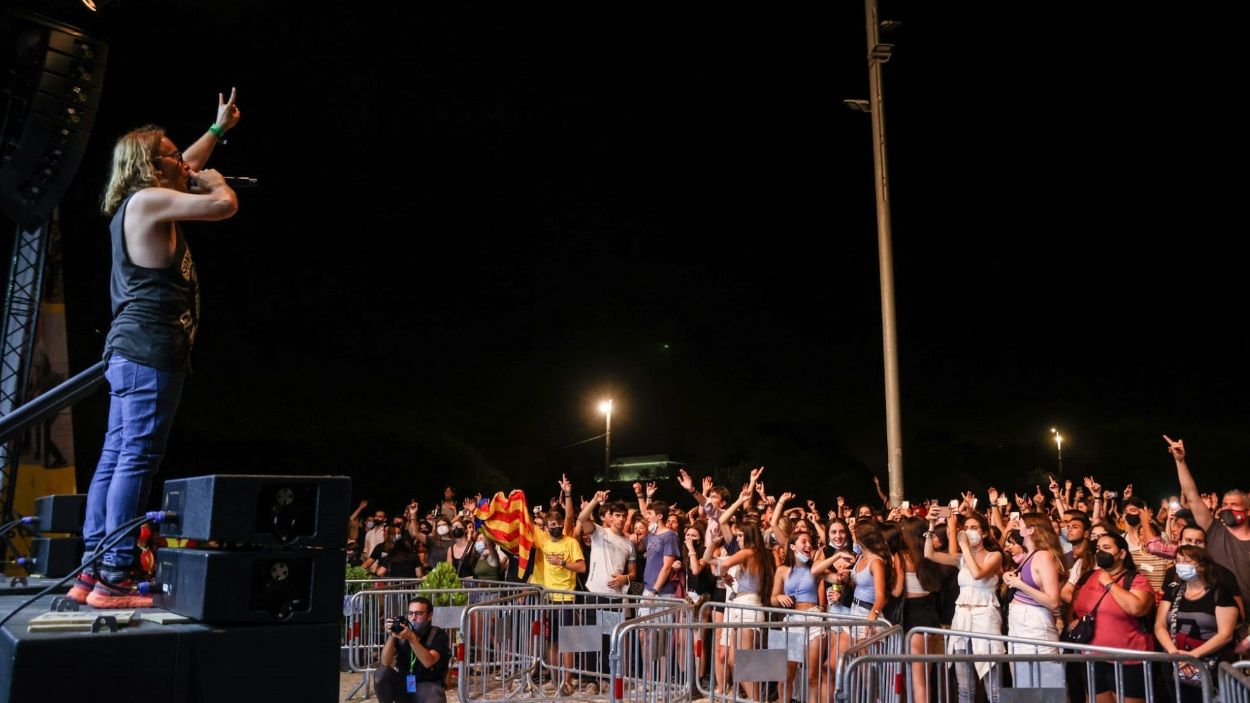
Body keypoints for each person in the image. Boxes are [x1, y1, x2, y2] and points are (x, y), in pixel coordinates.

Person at [70, 89, 240, 609]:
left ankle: (92, 570)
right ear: (149, 164)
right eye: (169, 155)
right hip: (149, 351)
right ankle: (115, 576)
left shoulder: (142, 199)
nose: (183, 163)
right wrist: (216, 180)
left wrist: (216, 131)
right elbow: (222, 204)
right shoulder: (147, 201)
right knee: (135, 458)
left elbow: (185, 162)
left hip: (135, 350)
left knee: (116, 456)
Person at [1067, 533, 1155, 703]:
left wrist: (1110, 584)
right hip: (1092, 657)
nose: (1101, 552)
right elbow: (1078, 605)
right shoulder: (1090, 577)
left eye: (1107, 548)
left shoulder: (1137, 580)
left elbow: (1137, 608)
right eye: (1099, 548)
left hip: (1127, 660)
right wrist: (1077, 620)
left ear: (1122, 554)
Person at [927, 510, 1004, 703]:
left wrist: (964, 547)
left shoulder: (994, 556)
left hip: (985, 621)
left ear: (984, 533)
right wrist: (931, 525)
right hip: (961, 620)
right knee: (964, 687)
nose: (969, 532)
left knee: (993, 688)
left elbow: (978, 574)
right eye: (967, 528)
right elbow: (929, 554)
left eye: (974, 528)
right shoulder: (961, 558)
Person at [1153, 545, 1238, 702]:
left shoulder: (1220, 593)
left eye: (1186, 560)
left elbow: (1225, 635)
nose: (1180, 565)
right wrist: (1175, 655)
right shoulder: (1173, 592)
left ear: (1202, 565)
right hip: (1176, 663)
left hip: (1211, 666)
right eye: (1177, 561)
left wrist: (1191, 657)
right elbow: (1159, 626)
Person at [1001, 512, 1066, 690]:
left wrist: (1020, 584)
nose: (1017, 525)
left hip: (1035, 626)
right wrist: (1009, 576)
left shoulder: (1044, 556)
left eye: (1020, 523)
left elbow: (1053, 601)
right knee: (1023, 686)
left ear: (1030, 530)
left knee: (1043, 687)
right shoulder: (1031, 554)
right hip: (1020, 626)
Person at [376, 596, 452, 703]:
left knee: (434, 699)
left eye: (418, 614)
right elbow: (385, 661)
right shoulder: (403, 632)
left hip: (426, 683)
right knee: (382, 673)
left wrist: (412, 638)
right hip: (403, 682)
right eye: (410, 613)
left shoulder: (437, 634)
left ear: (429, 616)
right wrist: (392, 636)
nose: (413, 618)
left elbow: (428, 661)